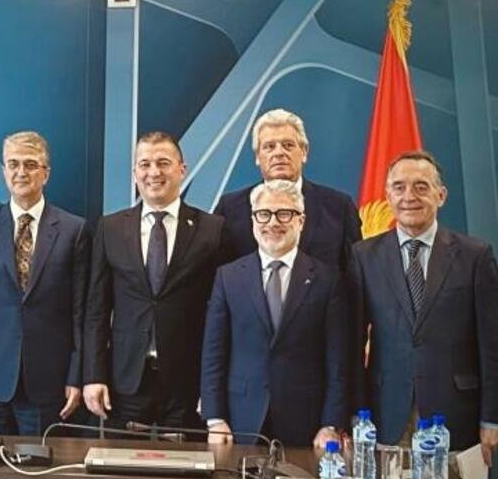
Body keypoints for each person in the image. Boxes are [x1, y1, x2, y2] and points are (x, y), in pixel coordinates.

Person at [349, 150, 498, 461]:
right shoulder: (364, 256)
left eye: (421, 186)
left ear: (440, 195)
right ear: (388, 196)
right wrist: (354, 414)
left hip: (457, 417)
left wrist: (491, 418)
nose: (409, 196)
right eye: (399, 187)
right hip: (386, 413)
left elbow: (491, 343)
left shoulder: (475, 256)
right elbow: (353, 344)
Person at [0, 131, 90, 436]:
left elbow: (81, 313)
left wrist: (76, 376)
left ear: (46, 173)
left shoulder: (74, 229)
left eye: (30, 164)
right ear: (4, 171)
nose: (21, 172)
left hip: (49, 383)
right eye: (13, 164)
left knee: (42, 464)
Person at [84, 132, 223, 431]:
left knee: (189, 461)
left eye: (163, 163)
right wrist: (94, 375)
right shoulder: (110, 228)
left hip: (188, 383)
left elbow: (221, 315)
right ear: (134, 172)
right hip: (125, 382)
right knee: (120, 460)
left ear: (181, 169)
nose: (154, 172)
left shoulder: (212, 230)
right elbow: (96, 311)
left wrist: (214, 389)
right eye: (145, 164)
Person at [200, 180, 348, 447]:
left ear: (301, 221)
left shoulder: (327, 279)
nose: (273, 222)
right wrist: (215, 419)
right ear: (253, 221)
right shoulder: (228, 277)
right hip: (239, 420)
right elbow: (213, 353)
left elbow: (337, 359)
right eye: (264, 214)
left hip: (306, 422)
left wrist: (330, 424)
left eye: (284, 214)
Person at [214, 108, 361, 271]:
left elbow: (355, 273)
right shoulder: (229, 208)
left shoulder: (339, 207)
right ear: (257, 157)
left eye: (288, 145)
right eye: (269, 146)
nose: (279, 153)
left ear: (304, 152)